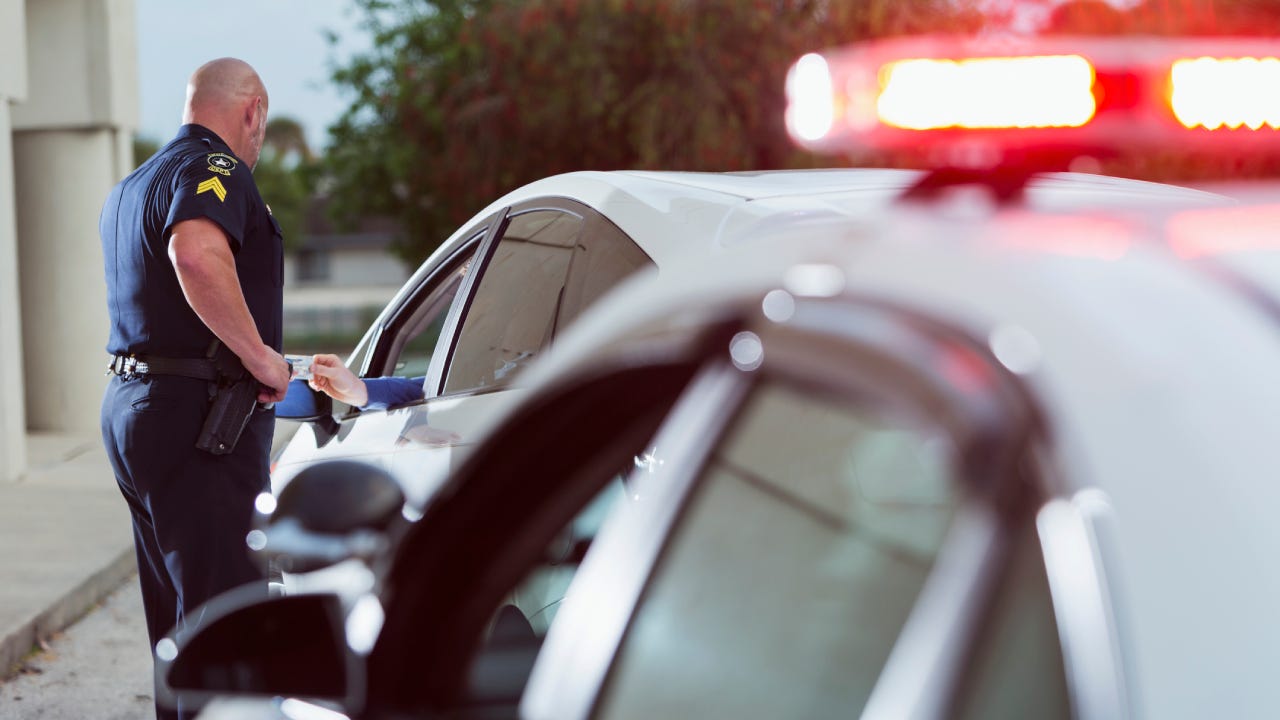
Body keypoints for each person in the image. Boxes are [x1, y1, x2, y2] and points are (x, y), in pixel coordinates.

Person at [98, 58, 290, 720]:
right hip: (196, 419)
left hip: (137, 411)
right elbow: (196, 253)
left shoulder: (133, 183)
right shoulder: (217, 169)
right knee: (224, 620)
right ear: (253, 112)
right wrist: (262, 358)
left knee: (178, 628)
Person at [307, 353, 423, 410]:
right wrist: (356, 389)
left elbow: (414, 392)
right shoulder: (434, 386)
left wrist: (357, 389)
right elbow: (419, 391)